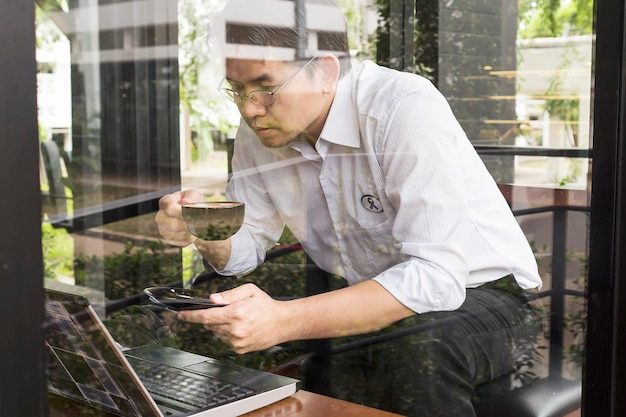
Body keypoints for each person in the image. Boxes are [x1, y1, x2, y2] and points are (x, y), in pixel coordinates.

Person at [156, 1, 543, 415]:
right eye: (236, 89)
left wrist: (283, 320)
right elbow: (245, 250)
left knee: (418, 345)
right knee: (205, 309)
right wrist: (205, 227)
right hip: (368, 297)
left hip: (485, 297)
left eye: (265, 88)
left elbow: (437, 277)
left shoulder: (400, 107)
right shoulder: (260, 132)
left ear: (324, 71)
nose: (249, 109)